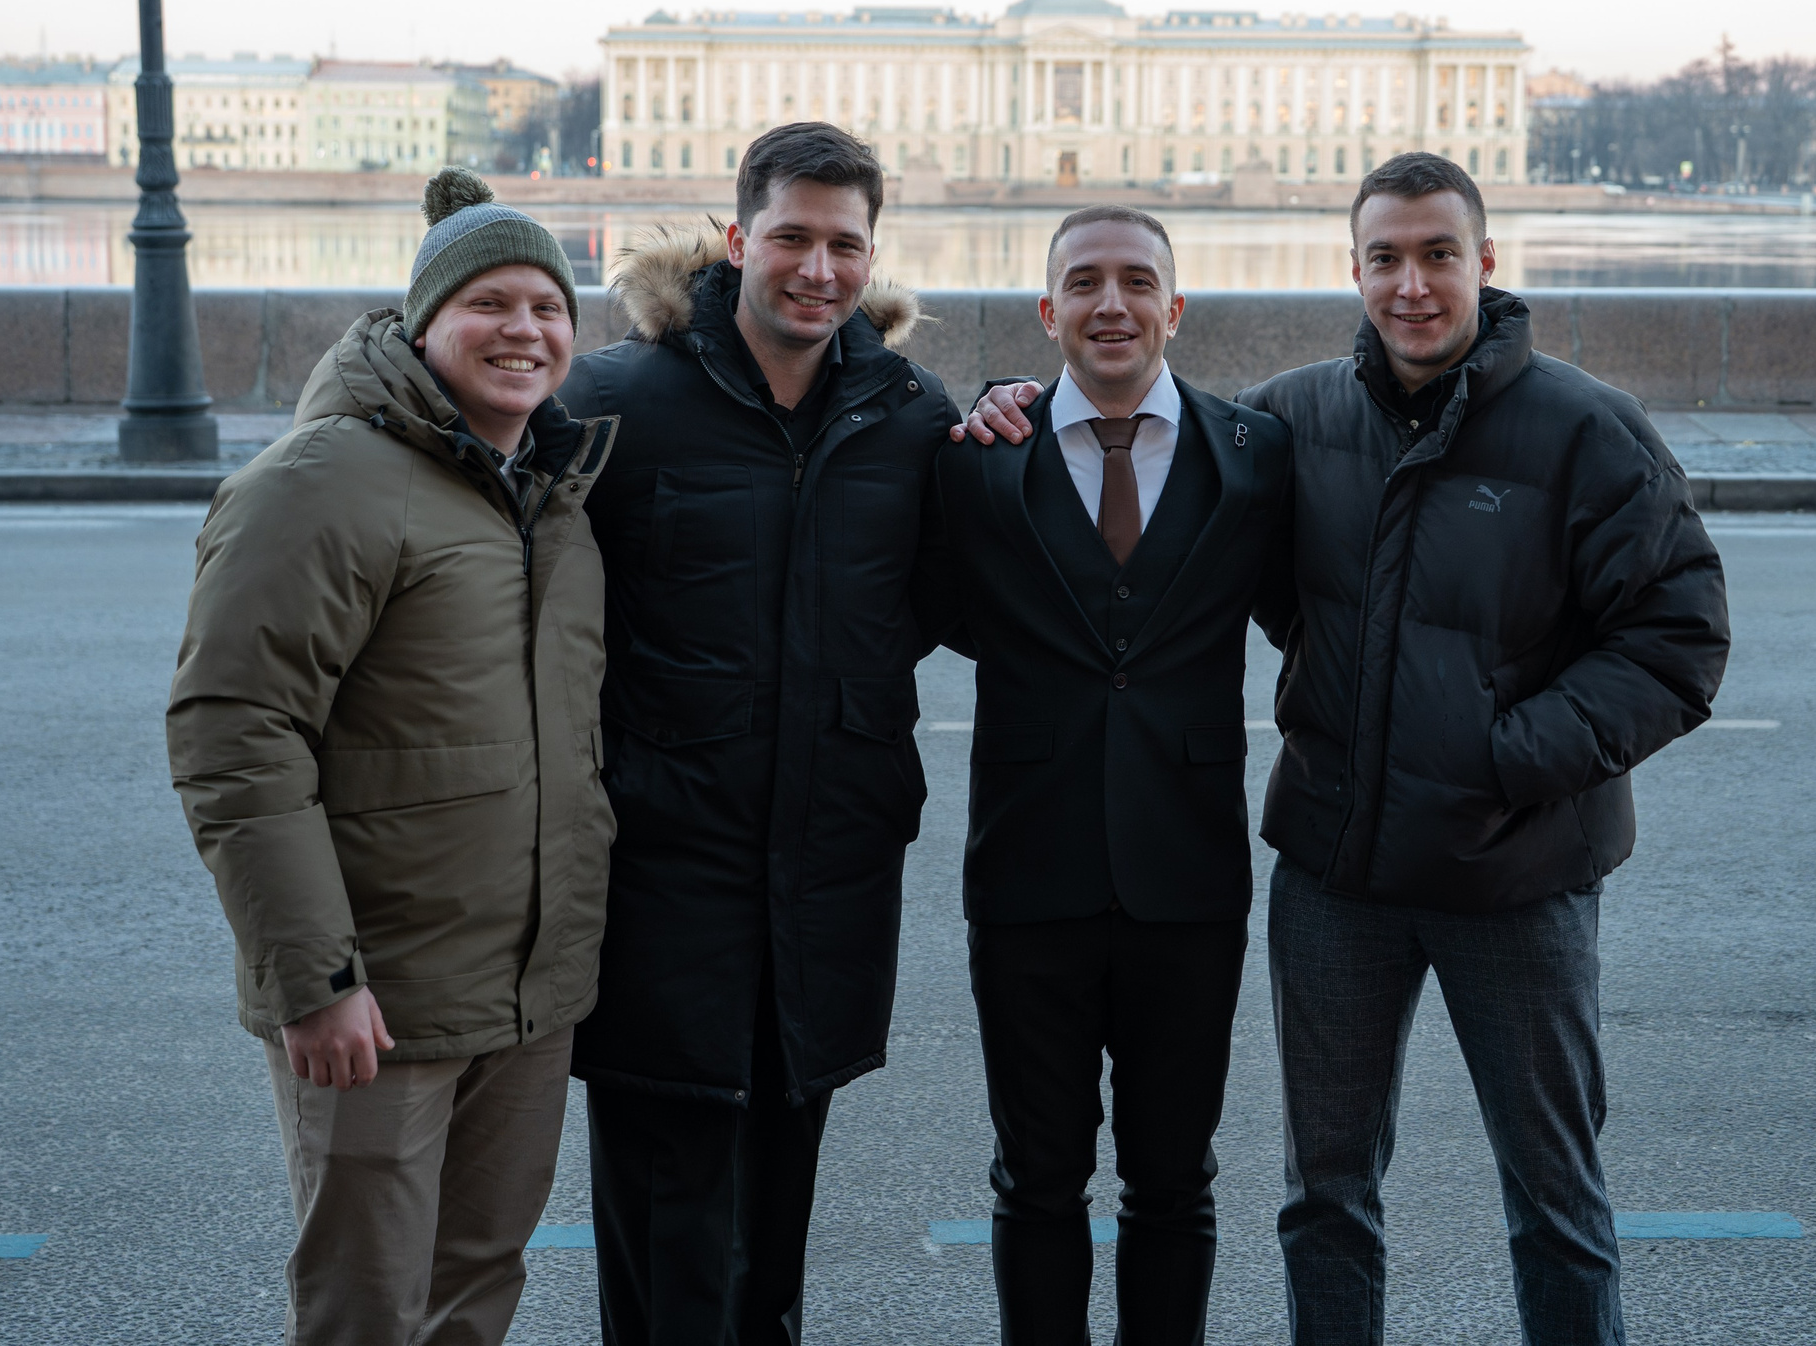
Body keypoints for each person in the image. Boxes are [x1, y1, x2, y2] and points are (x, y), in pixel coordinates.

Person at [959, 154, 1730, 1346]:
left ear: (1482, 262)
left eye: (1435, 255)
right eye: (1385, 257)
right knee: (1325, 1198)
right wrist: (1007, 400)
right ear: (1352, 269)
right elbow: (1155, 454)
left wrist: (1506, 754)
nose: (1410, 284)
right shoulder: (1291, 418)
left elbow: (1679, 638)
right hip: (1337, 874)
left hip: (1512, 869)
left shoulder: (1586, 425)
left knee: (1555, 1200)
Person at [168, 168, 617, 1346]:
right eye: (491, 303)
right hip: (375, 998)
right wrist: (315, 979)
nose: (524, 330)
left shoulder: (549, 495)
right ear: (423, 324)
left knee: (477, 1285)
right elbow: (236, 736)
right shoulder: (322, 480)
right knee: (367, 1309)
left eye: (549, 307)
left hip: (521, 996)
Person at [562, 121, 960, 1345]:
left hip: (827, 887)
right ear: (741, 241)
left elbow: (969, 597)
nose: (820, 268)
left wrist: (1016, 432)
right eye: (793, 236)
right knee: (668, 1251)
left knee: (771, 1250)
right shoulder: (617, 397)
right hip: (661, 887)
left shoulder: (906, 411)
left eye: (846, 243)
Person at [936, 206, 1292, 1346]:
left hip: (1188, 880)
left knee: (1173, 1183)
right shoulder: (985, 458)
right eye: (1081, 283)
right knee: (1035, 1180)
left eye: (1137, 281)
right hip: (1027, 873)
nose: (1110, 303)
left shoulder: (1254, 458)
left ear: (1173, 309)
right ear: (1048, 314)